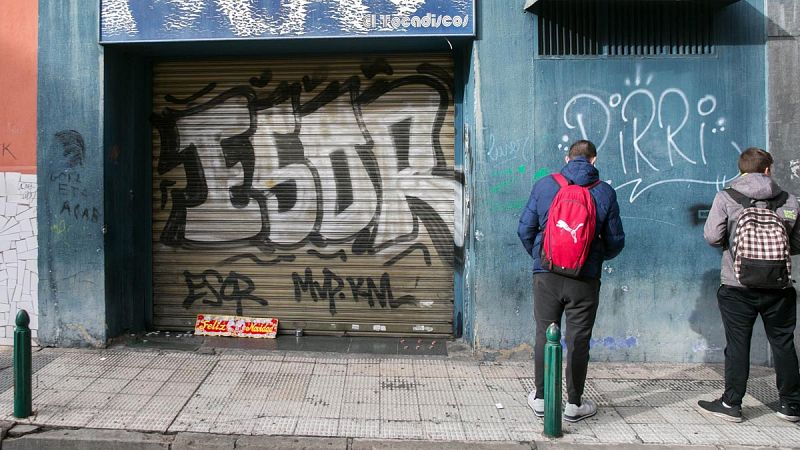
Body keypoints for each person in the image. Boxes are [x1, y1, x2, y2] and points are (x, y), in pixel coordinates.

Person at [517, 140, 625, 422]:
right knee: (578, 340)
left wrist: (541, 258)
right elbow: (616, 241)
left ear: (567, 158)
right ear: (593, 160)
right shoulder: (605, 192)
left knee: (544, 333)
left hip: (547, 274)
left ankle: (541, 398)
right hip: (584, 279)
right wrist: (593, 260)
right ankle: (574, 404)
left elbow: (524, 229)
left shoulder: (544, 186)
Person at [699, 147, 800, 423]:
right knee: (782, 343)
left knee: (737, 344)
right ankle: (790, 405)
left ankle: (732, 403)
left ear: (741, 169)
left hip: (736, 285)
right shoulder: (790, 201)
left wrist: (734, 247)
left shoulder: (726, 197)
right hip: (779, 287)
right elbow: (798, 242)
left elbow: (711, 236)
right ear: (768, 169)